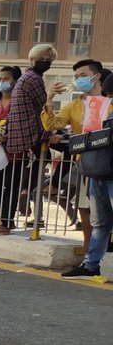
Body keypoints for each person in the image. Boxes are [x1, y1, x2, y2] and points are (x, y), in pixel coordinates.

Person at [0, 44, 67, 235]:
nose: (47, 63)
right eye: (44, 59)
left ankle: (10, 215)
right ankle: (24, 195)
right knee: (16, 180)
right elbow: (44, 106)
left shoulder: (25, 78)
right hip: (30, 135)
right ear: (33, 59)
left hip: (16, 137)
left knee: (10, 181)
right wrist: (51, 101)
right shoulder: (34, 79)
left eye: (49, 60)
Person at [41, 59, 103, 257]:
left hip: (107, 162)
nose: (78, 80)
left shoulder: (109, 102)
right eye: (75, 77)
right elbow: (51, 125)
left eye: (83, 76)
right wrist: (49, 99)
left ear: (97, 76)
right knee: (85, 208)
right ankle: (88, 249)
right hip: (85, 162)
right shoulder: (73, 106)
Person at [62, 70, 113, 278]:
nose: (109, 99)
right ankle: (91, 265)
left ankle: (92, 264)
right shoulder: (101, 111)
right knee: (99, 222)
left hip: (105, 171)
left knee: (100, 221)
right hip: (99, 171)